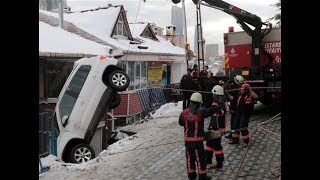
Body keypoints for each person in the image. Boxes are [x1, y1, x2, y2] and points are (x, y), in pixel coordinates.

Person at [179, 92, 221, 180]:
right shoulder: (201, 112)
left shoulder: (184, 113)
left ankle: (191, 175)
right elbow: (211, 111)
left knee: (190, 158)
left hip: (187, 141)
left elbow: (181, 123)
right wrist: (216, 104)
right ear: (199, 102)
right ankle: (202, 176)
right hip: (197, 142)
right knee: (200, 159)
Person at [205, 85, 227, 169]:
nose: (212, 95)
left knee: (216, 145)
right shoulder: (217, 100)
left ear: (216, 94)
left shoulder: (221, 101)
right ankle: (207, 160)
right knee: (209, 143)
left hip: (218, 127)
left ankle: (219, 163)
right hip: (213, 125)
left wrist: (217, 109)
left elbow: (222, 112)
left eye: (213, 94)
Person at [229, 83, 257, 148]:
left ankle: (246, 141)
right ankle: (235, 140)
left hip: (245, 114)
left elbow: (256, 96)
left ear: (246, 90)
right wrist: (227, 95)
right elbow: (233, 98)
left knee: (243, 127)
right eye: (241, 89)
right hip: (238, 112)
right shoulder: (239, 95)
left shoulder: (250, 95)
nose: (241, 90)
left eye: (243, 89)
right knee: (235, 125)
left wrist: (249, 90)